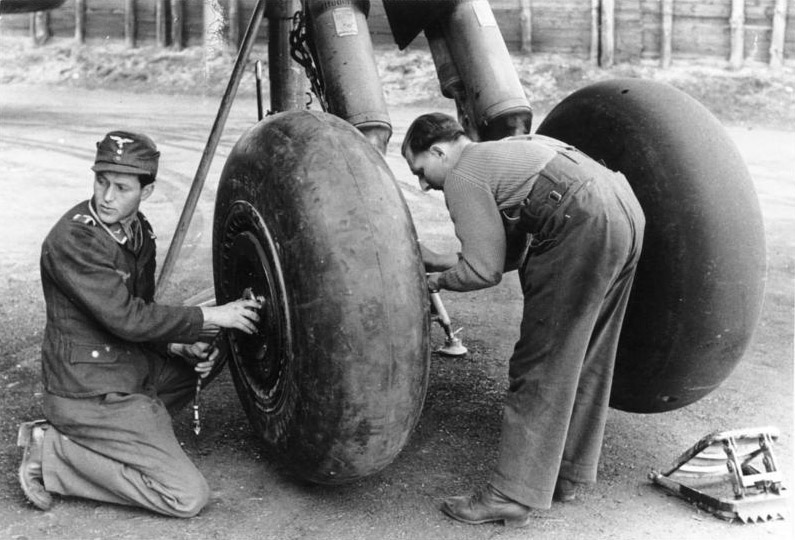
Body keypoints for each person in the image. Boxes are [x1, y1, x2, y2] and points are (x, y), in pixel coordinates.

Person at [402, 113, 645, 527]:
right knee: (586, 354)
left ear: (440, 152)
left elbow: (483, 272)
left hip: (581, 221)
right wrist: (434, 257)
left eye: (421, 170)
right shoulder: (503, 152)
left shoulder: (462, 175)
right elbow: (506, 256)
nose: (424, 184)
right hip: (622, 210)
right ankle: (564, 474)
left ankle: (510, 495)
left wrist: (432, 282)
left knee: (539, 365)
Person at [17, 130, 263, 518]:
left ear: (145, 192)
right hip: (88, 391)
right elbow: (127, 318)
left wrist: (178, 345)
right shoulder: (75, 239)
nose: (106, 196)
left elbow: (140, 306)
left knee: (210, 354)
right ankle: (52, 450)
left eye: (121, 187)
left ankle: (129, 435)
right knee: (186, 497)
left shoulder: (136, 230)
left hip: (125, 369)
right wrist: (210, 316)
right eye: (101, 181)